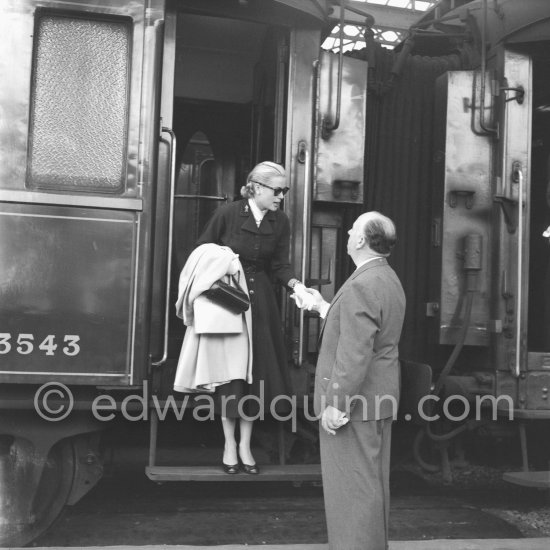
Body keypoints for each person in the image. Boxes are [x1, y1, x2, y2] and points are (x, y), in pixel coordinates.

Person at [298, 211, 406, 550]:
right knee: (370, 485)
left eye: (353, 229)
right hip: (378, 397)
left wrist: (335, 403)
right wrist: (322, 307)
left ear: (361, 240)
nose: (347, 232)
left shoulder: (361, 284)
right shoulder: (386, 278)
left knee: (351, 492)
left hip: (354, 404)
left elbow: (355, 351)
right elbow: (365, 330)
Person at [196, 161, 312, 474]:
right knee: (231, 373)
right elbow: (201, 254)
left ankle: (245, 444)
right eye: (278, 190)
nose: (282, 196)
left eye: (285, 191)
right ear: (256, 186)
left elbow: (279, 267)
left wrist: (297, 286)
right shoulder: (229, 214)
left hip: (261, 303)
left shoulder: (281, 221)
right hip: (228, 300)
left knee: (254, 373)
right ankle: (228, 444)